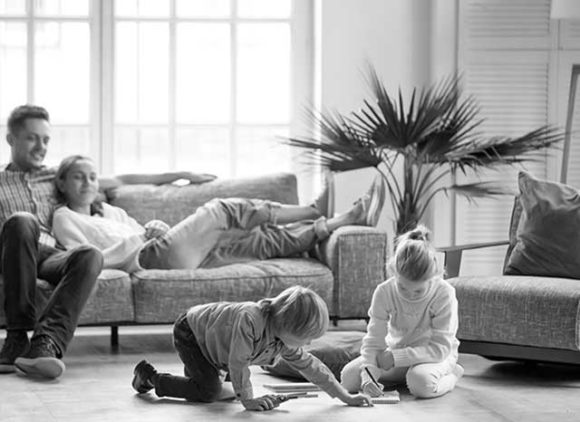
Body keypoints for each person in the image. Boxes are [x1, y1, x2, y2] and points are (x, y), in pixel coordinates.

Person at [0, 104, 215, 379]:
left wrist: (181, 174)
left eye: (46, 139)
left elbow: (121, 180)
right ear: (11, 139)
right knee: (22, 220)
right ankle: (17, 337)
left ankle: (45, 345)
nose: (41, 146)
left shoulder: (55, 176)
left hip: (50, 254)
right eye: (32, 138)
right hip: (15, 250)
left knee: (89, 254)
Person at [51, 155, 386, 272]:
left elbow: (139, 226)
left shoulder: (110, 210)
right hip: (147, 257)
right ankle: (314, 209)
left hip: (169, 250)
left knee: (259, 239)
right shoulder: (65, 217)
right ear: (63, 183)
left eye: (92, 176)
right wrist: (143, 237)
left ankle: (338, 221)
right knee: (222, 209)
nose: (87, 183)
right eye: (78, 177)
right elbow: (83, 260)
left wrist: (152, 226)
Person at [131, 286, 373, 410]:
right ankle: (150, 377)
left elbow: (313, 368)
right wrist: (248, 400)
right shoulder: (250, 319)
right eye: (305, 338)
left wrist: (346, 397)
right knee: (210, 393)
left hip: (215, 344)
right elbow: (238, 363)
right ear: (287, 326)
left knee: (218, 390)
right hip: (192, 333)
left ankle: (197, 377)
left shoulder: (283, 339)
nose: (308, 344)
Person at [340, 225, 464, 399]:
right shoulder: (384, 291)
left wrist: (396, 357)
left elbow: (439, 349)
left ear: (434, 276)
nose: (410, 295)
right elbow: (373, 341)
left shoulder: (444, 293)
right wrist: (369, 377)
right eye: (403, 288)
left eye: (418, 291)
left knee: (421, 384)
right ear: (393, 272)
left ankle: (451, 375)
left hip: (434, 357)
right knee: (348, 379)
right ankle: (403, 377)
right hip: (395, 354)